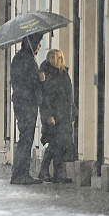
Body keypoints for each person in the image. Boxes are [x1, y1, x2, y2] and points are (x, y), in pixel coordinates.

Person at [10, 34, 44, 185]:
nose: (39, 46)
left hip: (23, 102)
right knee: (26, 138)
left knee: (26, 138)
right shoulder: (25, 59)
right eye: (38, 43)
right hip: (26, 103)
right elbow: (25, 81)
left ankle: (21, 172)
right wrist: (38, 77)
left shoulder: (21, 58)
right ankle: (20, 173)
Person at [38, 49, 76, 183]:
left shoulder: (64, 73)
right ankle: (44, 170)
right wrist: (49, 115)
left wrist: (73, 113)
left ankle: (58, 174)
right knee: (54, 143)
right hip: (55, 115)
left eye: (62, 57)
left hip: (65, 114)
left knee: (61, 145)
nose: (61, 60)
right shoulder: (47, 75)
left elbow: (69, 96)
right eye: (58, 58)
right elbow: (46, 97)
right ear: (52, 59)